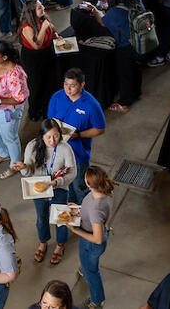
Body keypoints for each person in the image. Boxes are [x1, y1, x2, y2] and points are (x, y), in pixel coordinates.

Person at [21, 118, 78, 265]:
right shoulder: (32, 146)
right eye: (48, 137)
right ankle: (43, 242)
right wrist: (23, 168)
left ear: (60, 134)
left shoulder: (65, 148)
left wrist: (56, 182)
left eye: (56, 136)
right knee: (41, 218)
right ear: (41, 136)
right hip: (39, 190)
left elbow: (72, 173)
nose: (52, 140)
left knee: (61, 219)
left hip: (59, 188)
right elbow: (28, 172)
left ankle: (60, 245)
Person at [47, 68, 106, 203]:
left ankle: (83, 212)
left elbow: (100, 129)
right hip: (57, 151)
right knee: (62, 184)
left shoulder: (91, 105)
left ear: (82, 85)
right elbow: (50, 120)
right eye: (66, 84)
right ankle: (69, 207)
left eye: (72, 85)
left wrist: (78, 135)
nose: (68, 89)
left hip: (77, 155)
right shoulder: (57, 97)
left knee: (79, 186)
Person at [69, 165, 114, 309]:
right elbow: (90, 209)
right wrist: (78, 208)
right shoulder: (103, 191)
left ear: (89, 183)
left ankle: (97, 300)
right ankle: (85, 268)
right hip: (89, 237)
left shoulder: (96, 208)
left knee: (92, 271)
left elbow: (98, 239)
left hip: (91, 243)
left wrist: (75, 231)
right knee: (86, 262)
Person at [0, 39, 29, 176]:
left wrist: (0, 101)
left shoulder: (15, 74)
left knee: (10, 138)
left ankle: (15, 164)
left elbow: (20, 98)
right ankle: (4, 154)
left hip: (8, 109)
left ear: (5, 57)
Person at [96, 0, 139, 113]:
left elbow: (102, 22)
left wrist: (94, 11)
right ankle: (136, 92)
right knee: (135, 69)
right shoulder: (135, 0)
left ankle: (125, 102)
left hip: (125, 47)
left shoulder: (115, 12)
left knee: (124, 74)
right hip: (138, 42)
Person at [20, 0, 59, 122]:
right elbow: (36, 45)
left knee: (48, 83)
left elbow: (52, 33)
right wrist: (44, 28)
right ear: (31, 11)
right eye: (39, 7)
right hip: (33, 58)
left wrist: (56, 36)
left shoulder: (44, 18)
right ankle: (33, 111)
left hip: (47, 53)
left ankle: (45, 109)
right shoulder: (27, 27)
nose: (43, 9)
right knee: (35, 85)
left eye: (42, 6)